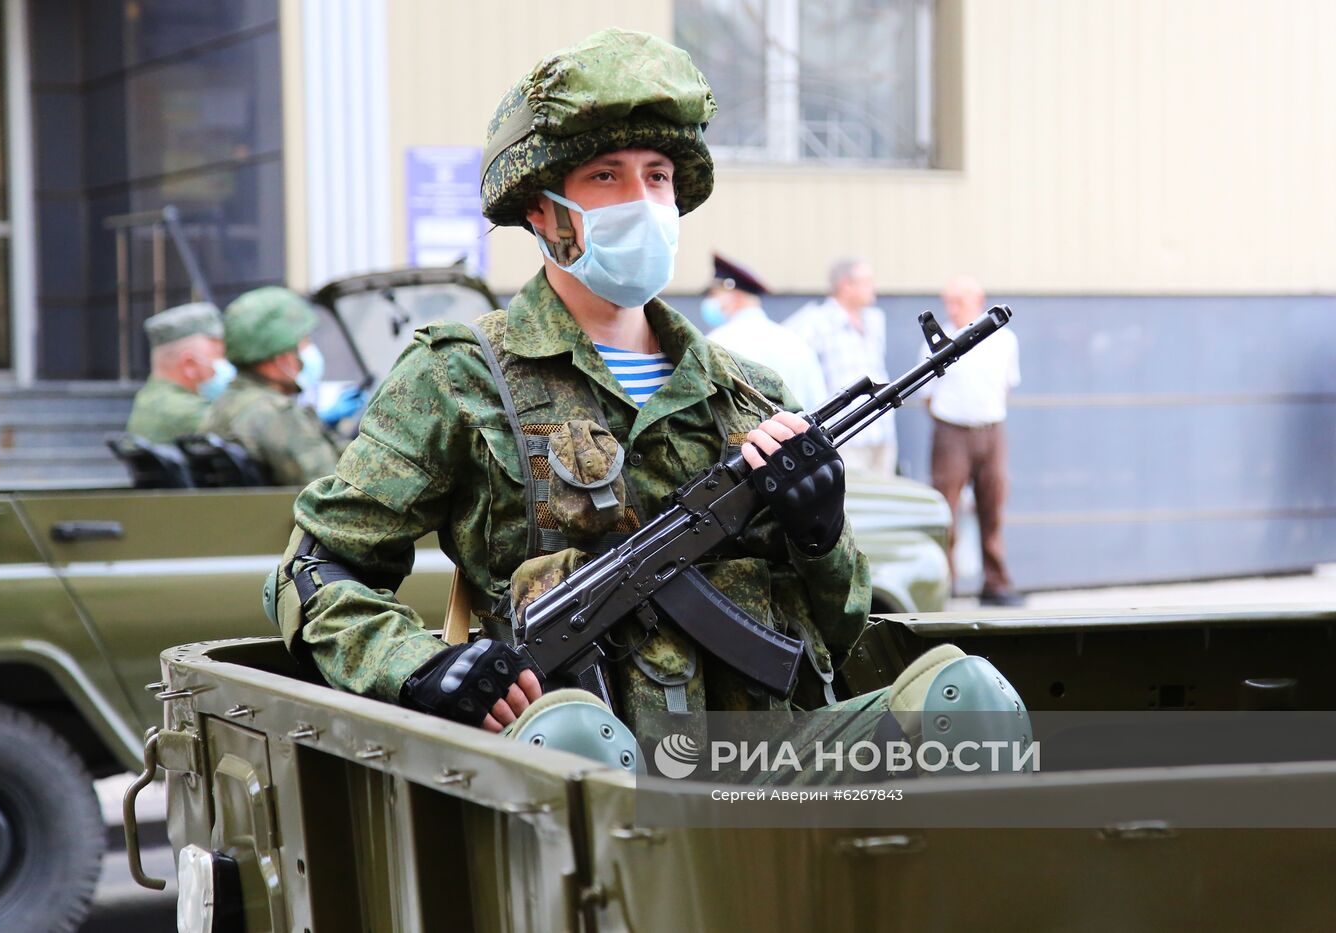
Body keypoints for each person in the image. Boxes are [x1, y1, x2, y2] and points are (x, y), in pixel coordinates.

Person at [268, 29, 1023, 752]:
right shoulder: (460, 377)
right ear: (541, 209)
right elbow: (317, 567)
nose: (643, 200)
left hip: (772, 759)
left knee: (970, 700)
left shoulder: (750, 393)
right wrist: (417, 666)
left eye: (657, 176)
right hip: (585, 783)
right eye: (606, 176)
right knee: (576, 741)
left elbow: (845, 631)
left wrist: (821, 533)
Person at [923, 275, 1023, 607]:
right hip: (951, 430)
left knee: (992, 505)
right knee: (945, 507)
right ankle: (944, 584)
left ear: (977, 301)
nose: (951, 309)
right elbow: (926, 394)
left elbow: (1006, 385)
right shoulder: (935, 341)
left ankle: (995, 583)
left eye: (958, 301)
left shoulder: (1004, 339)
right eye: (948, 301)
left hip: (992, 430)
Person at [199, 286, 342, 487]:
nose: (304, 355)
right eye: (301, 344)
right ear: (280, 358)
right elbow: (331, 491)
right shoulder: (276, 414)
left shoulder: (222, 406)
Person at [785, 258, 897, 476]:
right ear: (846, 286)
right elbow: (792, 364)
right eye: (866, 282)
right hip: (846, 433)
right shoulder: (815, 322)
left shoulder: (874, 319)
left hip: (881, 431)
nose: (873, 288)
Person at [701, 253, 828, 409]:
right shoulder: (795, 341)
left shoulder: (716, 343)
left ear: (736, 296)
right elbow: (817, 405)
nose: (710, 302)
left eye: (715, 295)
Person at [125, 302, 232, 443]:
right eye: (220, 356)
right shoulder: (188, 412)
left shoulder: (149, 398)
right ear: (189, 365)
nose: (226, 364)